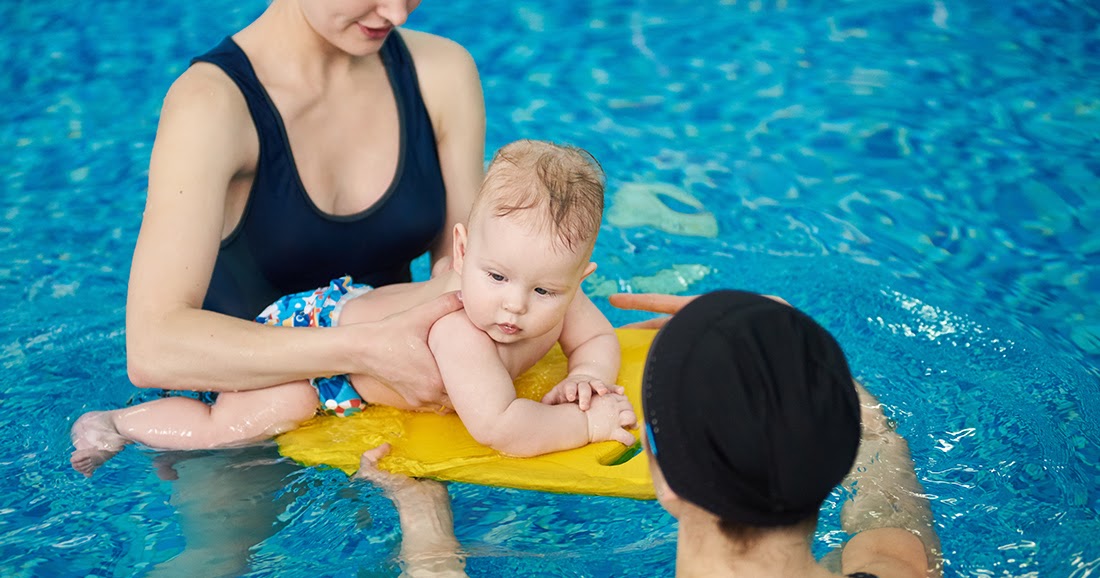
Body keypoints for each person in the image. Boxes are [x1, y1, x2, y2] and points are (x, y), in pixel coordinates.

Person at [84, 1, 485, 573]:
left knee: (441, 557)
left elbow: (473, 276)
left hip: (387, 392)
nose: (395, 11)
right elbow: (153, 348)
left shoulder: (440, 74)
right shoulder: (213, 105)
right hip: (242, 408)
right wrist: (364, 348)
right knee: (218, 560)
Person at [72, 140, 638, 475]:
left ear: (576, 279)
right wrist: (584, 422)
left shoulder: (553, 293)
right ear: (462, 251)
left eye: (545, 292)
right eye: (495, 276)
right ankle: (118, 422)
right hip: (318, 337)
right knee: (250, 420)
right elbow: (503, 428)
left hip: (361, 313)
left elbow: (595, 339)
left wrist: (586, 376)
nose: (515, 305)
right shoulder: (461, 328)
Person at [613, 290, 943, 578]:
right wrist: (792, 352)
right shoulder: (900, 567)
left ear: (663, 471)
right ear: (835, 460)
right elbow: (885, 476)